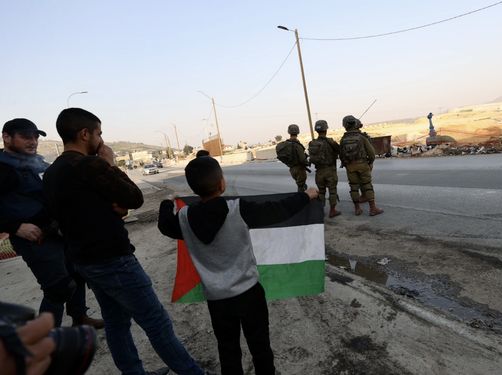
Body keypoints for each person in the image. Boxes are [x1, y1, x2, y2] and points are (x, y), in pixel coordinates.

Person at [43, 108, 204, 375]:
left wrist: (110, 209)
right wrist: (111, 164)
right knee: (156, 321)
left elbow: (76, 211)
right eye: (99, 134)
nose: (102, 140)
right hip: (112, 258)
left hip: (84, 259)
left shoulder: (53, 172)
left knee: (116, 322)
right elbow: (134, 197)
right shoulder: (90, 165)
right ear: (85, 134)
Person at [157, 156, 318, 375]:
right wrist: (306, 196)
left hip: (217, 300)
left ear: (194, 189)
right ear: (222, 184)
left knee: (228, 349)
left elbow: (165, 225)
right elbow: (278, 209)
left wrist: (168, 201)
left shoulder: (183, 219)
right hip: (249, 293)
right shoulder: (238, 209)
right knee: (260, 346)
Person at [0, 118, 103, 329]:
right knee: (59, 288)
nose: (33, 141)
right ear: (6, 137)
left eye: (36, 137)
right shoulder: (3, 169)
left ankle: (79, 317)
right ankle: (46, 337)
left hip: (57, 230)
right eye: (26, 136)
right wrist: (15, 227)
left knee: (77, 274)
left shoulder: (35, 163)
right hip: (34, 236)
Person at [339, 115, 384, 216]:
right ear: (355, 124)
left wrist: (347, 165)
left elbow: (341, 154)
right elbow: (372, 153)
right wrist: (369, 163)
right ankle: (373, 209)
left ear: (344, 125)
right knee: (367, 185)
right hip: (363, 165)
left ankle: (357, 209)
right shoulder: (361, 137)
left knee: (354, 187)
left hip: (350, 167)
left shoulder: (343, 139)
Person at [308, 120, 341, 218]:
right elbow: (339, 150)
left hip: (319, 172)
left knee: (321, 192)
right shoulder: (330, 142)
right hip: (330, 170)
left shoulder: (312, 143)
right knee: (332, 191)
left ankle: (320, 211)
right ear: (326, 129)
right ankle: (332, 211)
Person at [275, 124, 308, 192]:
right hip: (299, 169)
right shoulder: (297, 145)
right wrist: (307, 162)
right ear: (298, 132)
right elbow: (302, 159)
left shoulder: (286, 144)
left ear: (289, 132)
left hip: (292, 169)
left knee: (300, 185)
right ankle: (301, 200)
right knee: (301, 188)